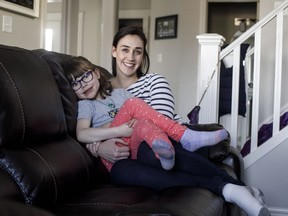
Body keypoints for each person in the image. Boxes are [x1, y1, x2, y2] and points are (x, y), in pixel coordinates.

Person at [100, 26, 269, 216]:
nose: (131, 57)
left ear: (143, 55)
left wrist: (121, 130)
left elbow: (158, 126)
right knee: (120, 171)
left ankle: (235, 187)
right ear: (114, 51)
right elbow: (90, 130)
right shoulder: (101, 92)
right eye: (125, 49)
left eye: (137, 51)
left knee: (149, 150)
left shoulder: (154, 81)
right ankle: (235, 189)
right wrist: (99, 147)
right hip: (128, 158)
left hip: (168, 145)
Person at [64, 56, 228, 172]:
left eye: (85, 76)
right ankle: (184, 135)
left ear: (97, 74)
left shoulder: (120, 94)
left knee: (144, 122)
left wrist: (134, 119)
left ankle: (167, 154)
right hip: (116, 147)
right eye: (75, 83)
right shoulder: (86, 105)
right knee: (133, 104)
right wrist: (118, 129)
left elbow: (145, 113)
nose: (82, 84)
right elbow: (82, 133)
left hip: (135, 144)